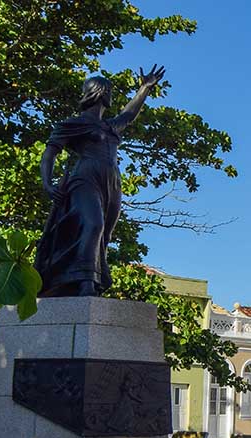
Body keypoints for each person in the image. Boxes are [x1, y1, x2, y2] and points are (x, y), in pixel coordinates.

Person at [34, 66, 166, 297]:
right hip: (85, 178)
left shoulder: (110, 126)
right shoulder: (74, 124)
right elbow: (50, 153)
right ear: (100, 92)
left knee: (105, 234)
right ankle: (84, 281)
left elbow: (129, 114)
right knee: (93, 224)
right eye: (109, 91)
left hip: (112, 182)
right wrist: (47, 184)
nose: (112, 96)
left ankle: (92, 280)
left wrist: (144, 89)